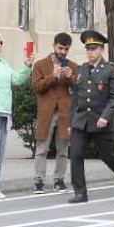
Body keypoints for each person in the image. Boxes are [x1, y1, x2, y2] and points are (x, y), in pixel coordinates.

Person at [67, 30, 114, 203]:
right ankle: (80, 192)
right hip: (82, 121)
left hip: (101, 121)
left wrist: (105, 116)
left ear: (101, 50)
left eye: (94, 48)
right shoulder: (81, 70)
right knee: (75, 155)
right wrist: (70, 121)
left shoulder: (111, 70)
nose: (90, 52)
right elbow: (76, 98)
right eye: (88, 49)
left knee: (107, 157)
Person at [0, 31, 33, 199]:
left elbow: (16, 79)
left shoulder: (4, 64)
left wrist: (27, 65)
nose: (0, 46)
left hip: (5, 113)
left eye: (1, 42)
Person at [32, 32, 77, 194]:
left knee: (63, 149)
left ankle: (59, 179)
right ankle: (39, 181)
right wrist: (52, 76)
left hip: (65, 113)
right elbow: (36, 87)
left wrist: (71, 77)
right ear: (53, 45)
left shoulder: (72, 66)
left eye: (66, 49)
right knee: (42, 148)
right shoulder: (40, 65)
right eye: (60, 48)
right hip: (47, 112)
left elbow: (78, 88)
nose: (63, 52)